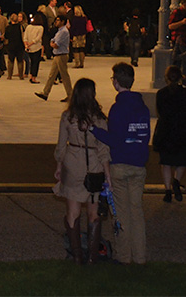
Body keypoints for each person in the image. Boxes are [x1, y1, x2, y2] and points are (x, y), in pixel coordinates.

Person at [91, 62, 150, 265]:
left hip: (121, 164)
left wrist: (94, 130)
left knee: (122, 213)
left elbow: (114, 139)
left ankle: (124, 255)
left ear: (116, 82)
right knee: (137, 211)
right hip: (139, 164)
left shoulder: (117, 108)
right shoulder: (142, 107)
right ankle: (140, 256)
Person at [53, 78, 111, 265]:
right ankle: (93, 257)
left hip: (73, 163)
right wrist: (107, 172)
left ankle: (77, 255)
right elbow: (104, 149)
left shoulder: (68, 117)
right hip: (94, 165)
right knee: (93, 212)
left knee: (73, 211)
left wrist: (59, 166)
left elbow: (61, 146)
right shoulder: (100, 119)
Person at [153, 65, 186, 203]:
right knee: (182, 160)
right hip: (183, 128)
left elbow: (160, 111)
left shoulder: (161, 93)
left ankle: (167, 190)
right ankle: (176, 181)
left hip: (166, 129)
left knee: (166, 162)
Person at [36, 14, 71, 102]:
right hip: (58, 55)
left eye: (58, 20)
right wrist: (52, 43)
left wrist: (52, 44)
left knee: (64, 76)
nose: (56, 22)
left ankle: (70, 95)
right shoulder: (60, 31)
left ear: (63, 22)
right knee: (52, 75)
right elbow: (52, 40)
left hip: (61, 55)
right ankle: (45, 93)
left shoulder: (63, 32)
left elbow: (55, 44)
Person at [23, 12, 45, 83]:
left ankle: (30, 75)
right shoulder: (40, 28)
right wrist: (31, 43)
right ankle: (34, 77)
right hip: (36, 47)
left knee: (31, 62)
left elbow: (25, 37)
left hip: (29, 48)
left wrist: (26, 44)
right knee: (36, 63)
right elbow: (38, 38)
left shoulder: (28, 27)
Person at [4, 13, 25, 80]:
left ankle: (9, 75)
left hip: (11, 46)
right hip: (20, 46)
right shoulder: (20, 27)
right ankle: (21, 76)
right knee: (20, 61)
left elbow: (6, 36)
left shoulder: (8, 27)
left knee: (10, 60)